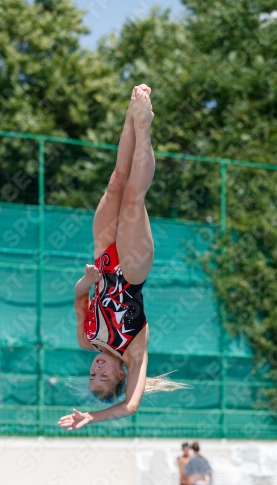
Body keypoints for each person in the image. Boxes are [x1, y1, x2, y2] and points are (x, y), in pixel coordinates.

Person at [58, 84, 185, 431]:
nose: (97, 369)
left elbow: (79, 297)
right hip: (130, 271)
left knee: (116, 182)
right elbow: (130, 406)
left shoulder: (87, 340)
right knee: (132, 199)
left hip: (101, 261)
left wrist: (86, 281)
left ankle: (131, 115)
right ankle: (144, 128)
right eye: (103, 375)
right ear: (120, 374)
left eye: (93, 373)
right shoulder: (134, 354)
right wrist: (92, 417)